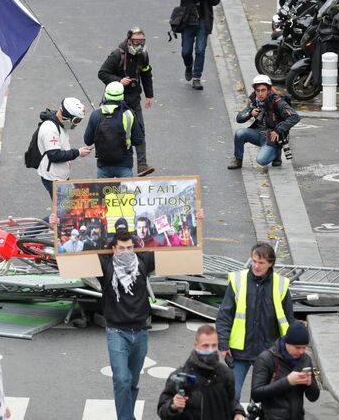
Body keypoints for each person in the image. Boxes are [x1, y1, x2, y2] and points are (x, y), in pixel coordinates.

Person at [215, 242, 294, 401]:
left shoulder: (281, 284)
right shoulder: (238, 280)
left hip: (269, 352)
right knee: (232, 396)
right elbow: (225, 315)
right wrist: (223, 344)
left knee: (263, 399)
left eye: (261, 263)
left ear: (270, 263)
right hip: (240, 351)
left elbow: (288, 320)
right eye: (254, 261)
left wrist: (289, 349)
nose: (256, 266)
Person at [98, 230, 155, 420]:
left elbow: (178, 248)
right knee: (122, 380)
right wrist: (57, 225)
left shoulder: (143, 262)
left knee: (132, 381)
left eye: (130, 248)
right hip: (116, 331)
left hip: (140, 332)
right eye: (121, 248)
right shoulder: (106, 266)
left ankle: (127, 415)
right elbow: (71, 256)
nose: (126, 252)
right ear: (113, 249)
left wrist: (198, 219)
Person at [98, 28, 155, 177]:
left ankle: (142, 165)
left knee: (140, 132)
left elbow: (146, 73)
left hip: (134, 100)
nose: (140, 45)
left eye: (142, 41)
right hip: (116, 101)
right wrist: (119, 81)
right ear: (129, 40)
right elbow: (102, 73)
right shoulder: (117, 54)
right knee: (113, 132)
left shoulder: (143, 54)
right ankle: (109, 164)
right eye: (137, 41)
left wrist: (149, 95)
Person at [157, 324, 246, 420]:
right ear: (196, 345)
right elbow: (162, 410)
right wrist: (173, 406)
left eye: (214, 345)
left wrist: (238, 413)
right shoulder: (180, 377)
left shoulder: (225, 373)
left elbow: (231, 401)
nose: (210, 350)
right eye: (205, 346)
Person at [227, 75, 299, 170]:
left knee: (261, 160)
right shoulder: (254, 100)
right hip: (258, 134)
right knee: (239, 133)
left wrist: (278, 130)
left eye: (263, 90)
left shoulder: (277, 101)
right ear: (255, 90)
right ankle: (238, 160)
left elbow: (295, 117)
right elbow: (239, 119)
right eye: (258, 90)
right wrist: (250, 113)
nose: (260, 93)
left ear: (269, 89)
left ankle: (277, 152)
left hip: (273, 138)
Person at [251, 321, 320, 420]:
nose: (301, 351)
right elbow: (256, 394)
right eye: (297, 347)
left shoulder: (305, 360)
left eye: (304, 347)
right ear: (287, 343)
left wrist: (310, 384)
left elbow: (313, 397)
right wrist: (288, 381)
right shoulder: (266, 359)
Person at [173, 0, 222, 90]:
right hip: (188, 20)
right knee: (186, 52)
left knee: (200, 50)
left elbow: (216, 0)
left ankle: (196, 78)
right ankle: (189, 66)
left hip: (202, 21)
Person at [83, 82, 144, 179]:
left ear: (105, 95)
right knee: (126, 194)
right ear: (122, 96)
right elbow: (138, 140)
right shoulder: (129, 114)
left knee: (103, 193)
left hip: (103, 165)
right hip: (124, 164)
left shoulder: (96, 114)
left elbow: (88, 140)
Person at [35, 98, 91, 199]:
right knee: (64, 210)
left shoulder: (59, 123)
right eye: (76, 120)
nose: (77, 124)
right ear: (66, 115)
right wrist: (77, 152)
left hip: (60, 175)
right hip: (54, 178)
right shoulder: (50, 129)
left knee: (66, 208)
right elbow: (54, 155)